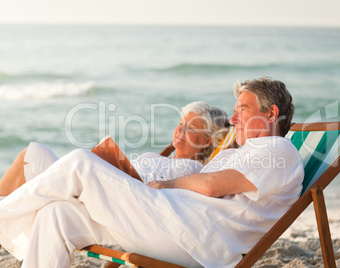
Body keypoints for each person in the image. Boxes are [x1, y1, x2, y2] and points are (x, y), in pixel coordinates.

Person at [0, 77, 304, 268]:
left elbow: (211, 186)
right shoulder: (240, 153)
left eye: (243, 109)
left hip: (191, 237)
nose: (234, 117)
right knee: (58, 214)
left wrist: (165, 184)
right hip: (169, 224)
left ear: (271, 113)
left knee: (81, 161)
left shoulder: (278, 150)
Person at [0, 100, 230, 196]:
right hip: (95, 185)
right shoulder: (167, 161)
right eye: (180, 124)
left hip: (104, 197)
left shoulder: (190, 171)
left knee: (36, 156)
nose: (179, 131)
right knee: (32, 153)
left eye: (190, 128)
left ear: (208, 140)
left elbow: (147, 193)